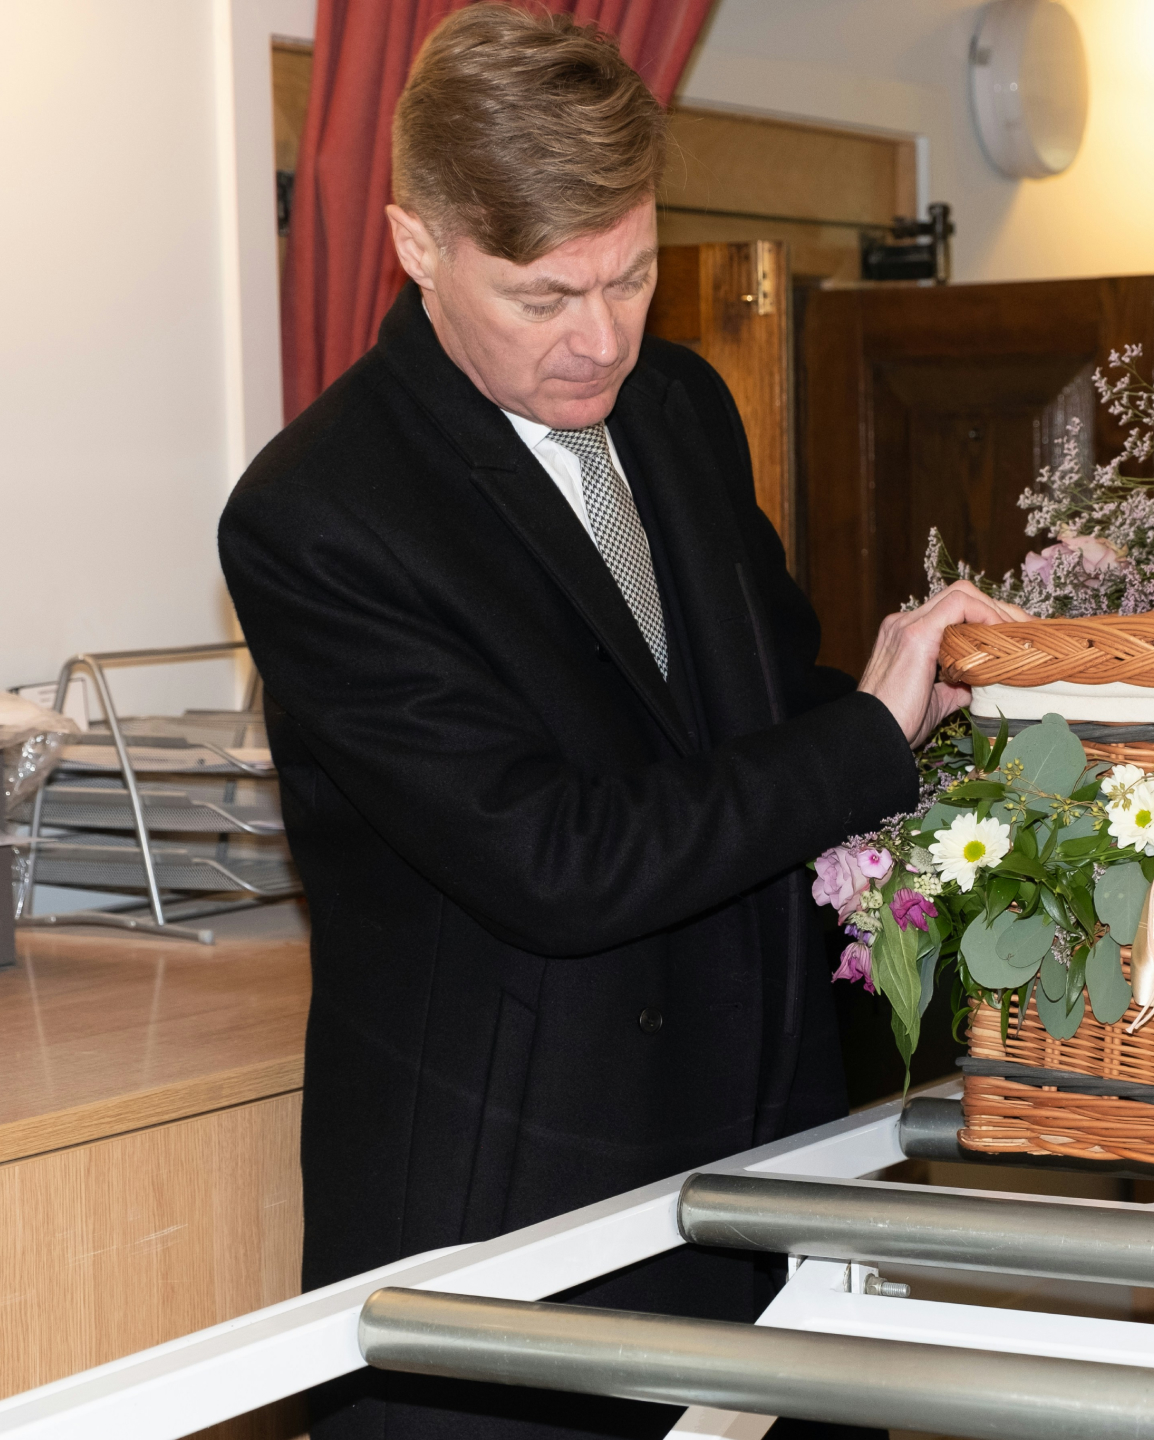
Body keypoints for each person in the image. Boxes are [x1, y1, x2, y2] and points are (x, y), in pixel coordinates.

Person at [217, 8, 1019, 1437]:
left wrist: (943, 704)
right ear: (414, 246)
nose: (601, 339)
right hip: (521, 1236)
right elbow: (558, 862)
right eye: (544, 295)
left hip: (767, 1177)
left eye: (633, 274)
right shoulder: (318, 515)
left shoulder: (682, 407)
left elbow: (760, 722)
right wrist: (864, 739)